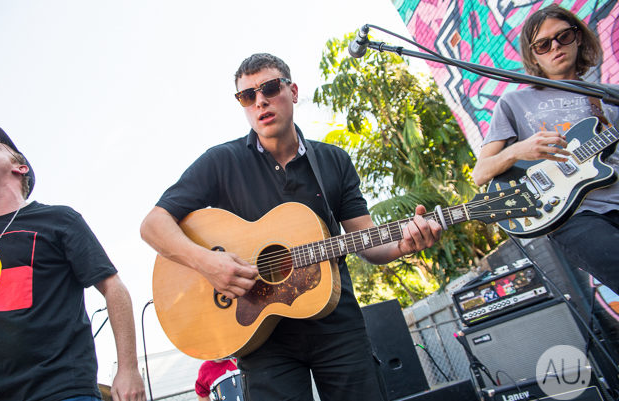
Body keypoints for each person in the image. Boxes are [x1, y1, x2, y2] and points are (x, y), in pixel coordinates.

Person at [140, 53, 442, 401]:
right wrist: (207, 263)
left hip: (337, 323)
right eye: (247, 95)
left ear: (293, 91)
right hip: (261, 337)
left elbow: (365, 240)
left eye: (269, 88)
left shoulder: (333, 161)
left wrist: (402, 245)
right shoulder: (221, 162)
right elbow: (153, 225)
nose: (260, 101)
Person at [0, 125, 146, 400]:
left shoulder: (59, 220)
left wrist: (128, 368)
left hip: (61, 391)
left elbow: (113, 287)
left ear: (20, 168)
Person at [472, 4, 619, 295]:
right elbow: (480, 174)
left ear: (578, 37)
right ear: (533, 55)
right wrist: (518, 151)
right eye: (543, 44)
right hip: (573, 216)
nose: (555, 47)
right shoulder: (513, 103)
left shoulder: (608, 97)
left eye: (563, 36)